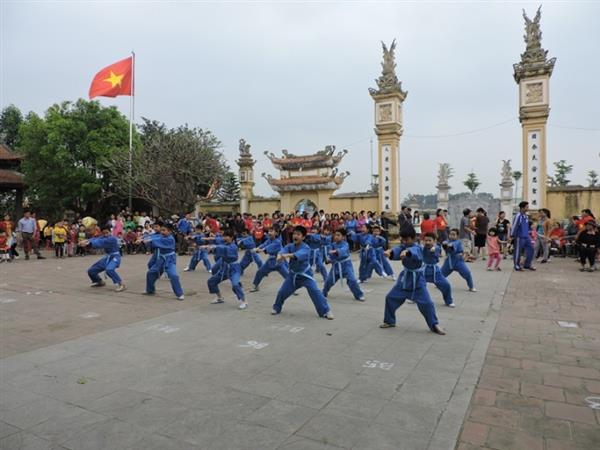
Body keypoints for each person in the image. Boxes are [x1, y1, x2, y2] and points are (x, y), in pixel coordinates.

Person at [379, 227, 445, 334]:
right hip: (405, 279)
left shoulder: (417, 248)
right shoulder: (403, 246)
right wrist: (390, 252)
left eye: (407, 239)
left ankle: (434, 324)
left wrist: (407, 253)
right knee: (390, 298)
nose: (404, 242)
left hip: (417, 280)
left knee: (427, 303)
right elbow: (397, 250)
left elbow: (414, 253)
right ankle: (389, 321)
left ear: (414, 238)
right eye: (403, 240)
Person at [272, 226, 333, 319]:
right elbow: (282, 251)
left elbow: (296, 255)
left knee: (315, 292)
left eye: (298, 234)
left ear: (303, 237)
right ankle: (276, 307)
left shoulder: (306, 248)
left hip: (305, 276)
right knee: (282, 292)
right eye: (294, 234)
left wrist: (286, 255)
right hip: (293, 276)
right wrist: (279, 256)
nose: (295, 236)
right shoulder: (290, 246)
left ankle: (325, 311)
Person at [204, 229, 247, 309]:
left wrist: (215, 247)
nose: (224, 238)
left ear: (231, 237)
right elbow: (218, 242)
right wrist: (209, 242)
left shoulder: (233, 246)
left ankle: (244, 301)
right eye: (224, 236)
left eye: (226, 236)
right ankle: (219, 297)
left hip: (234, 268)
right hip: (224, 268)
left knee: (235, 284)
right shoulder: (224, 243)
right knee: (211, 281)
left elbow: (224, 249)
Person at [142, 223, 184, 300]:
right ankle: (150, 290)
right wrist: (143, 238)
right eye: (161, 230)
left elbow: (158, 240)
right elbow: (154, 236)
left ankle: (179, 293)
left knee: (173, 275)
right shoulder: (161, 236)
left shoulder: (170, 239)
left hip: (169, 259)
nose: (162, 232)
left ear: (170, 231)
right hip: (160, 259)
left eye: (164, 230)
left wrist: (149, 239)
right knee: (150, 273)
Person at [78, 225, 125, 292]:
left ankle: (121, 284)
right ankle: (99, 281)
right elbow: (96, 239)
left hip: (115, 257)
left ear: (110, 232)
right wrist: (86, 241)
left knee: (109, 269)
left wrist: (88, 243)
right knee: (91, 271)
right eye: (104, 233)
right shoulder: (103, 237)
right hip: (107, 257)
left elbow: (100, 242)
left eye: (107, 233)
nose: (105, 234)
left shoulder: (112, 239)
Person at [322, 228, 365, 301]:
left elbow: (343, 250)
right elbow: (330, 255)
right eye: (335, 235)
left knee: (352, 280)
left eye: (338, 235)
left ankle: (359, 295)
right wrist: (328, 259)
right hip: (336, 266)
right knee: (329, 281)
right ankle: (324, 292)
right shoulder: (332, 245)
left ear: (343, 237)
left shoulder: (346, 244)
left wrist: (336, 251)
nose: (336, 237)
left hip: (346, 266)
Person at [422, 232, 454, 307]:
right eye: (426, 240)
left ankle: (448, 301)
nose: (427, 242)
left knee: (446, 285)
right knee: (418, 285)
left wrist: (433, 250)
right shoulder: (422, 248)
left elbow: (436, 252)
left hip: (435, 271)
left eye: (430, 240)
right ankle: (414, 298)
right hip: (423, 270)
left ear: (434, 241)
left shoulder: (437, 248)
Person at [250, 227, 288, 292]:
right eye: (269, 231)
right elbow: (264, 244)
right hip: (270, 262)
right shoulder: (269, 240)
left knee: (287, 275)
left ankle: (292, 288)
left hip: (279, 262)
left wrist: (260, 250)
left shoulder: (278, 241)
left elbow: (268, 247)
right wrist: (257, 248)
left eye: (271, 231)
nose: (269, 233)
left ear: (276, 233)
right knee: (260, 272)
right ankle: (256, 286)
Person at [511, 201, 535, 271]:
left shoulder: (526, 216)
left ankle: (527, 264)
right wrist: (512, 235)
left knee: (531, 248)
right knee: (518, 251)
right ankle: (517, 266)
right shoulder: (518, 216)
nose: (528, 208)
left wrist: (530, 232)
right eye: (527, 207)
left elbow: (527, 226)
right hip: (519, 236)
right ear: (522, 208)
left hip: (526, 236)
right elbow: (514, 226)